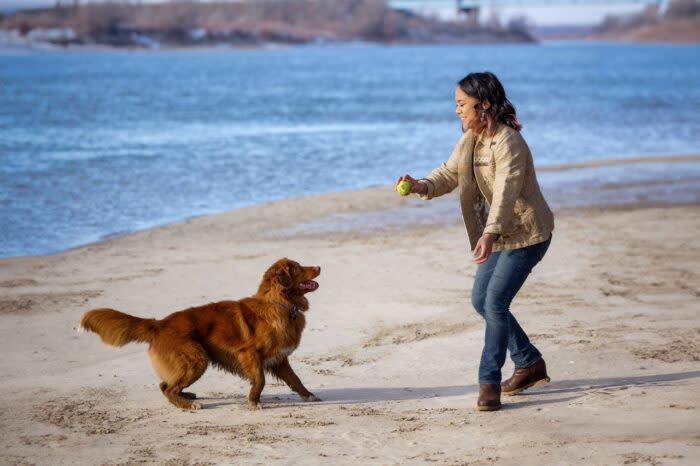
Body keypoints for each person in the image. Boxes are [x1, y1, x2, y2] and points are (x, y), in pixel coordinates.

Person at [396, 72, 554, 412]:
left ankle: (489, 384)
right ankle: (528, 363)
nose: (457, 111)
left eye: (461, 104)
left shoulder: (508, 141)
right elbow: (449, 173)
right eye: (456, 104)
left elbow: (505, 193)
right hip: (497, 235)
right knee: (481, 300)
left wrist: (488, 232)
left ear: (483, 106)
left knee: (494, 302)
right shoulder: (469, 139)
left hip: (527, 234)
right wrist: (421, 185)